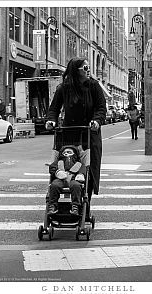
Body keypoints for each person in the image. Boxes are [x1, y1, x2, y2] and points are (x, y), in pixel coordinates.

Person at [46, 57, 106, 204]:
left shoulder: (94, 86)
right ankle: (66, 199)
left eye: (88, 67)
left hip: (89, 133)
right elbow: (54, 108)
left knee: (89, 169)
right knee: (66, 164)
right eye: (85, 68)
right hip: (69, 134)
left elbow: (101, 108)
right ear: (76, 71)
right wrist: (51, 120)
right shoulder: (63, 88)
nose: (88, 70)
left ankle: (85, 202)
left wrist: (97, 121)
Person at [47, 145, 86, 216]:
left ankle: (75, 206)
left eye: (69, 152)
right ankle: (52, 206)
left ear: (74, 154)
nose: (66, 153)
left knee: (76, 186)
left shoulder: (78, 163)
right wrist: (57, 172)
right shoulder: (59, 162)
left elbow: (83, 169)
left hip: (73, 178)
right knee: (54, 185)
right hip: (60, 178)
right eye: (64, 152)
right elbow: (52, 167)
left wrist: (81, 174)